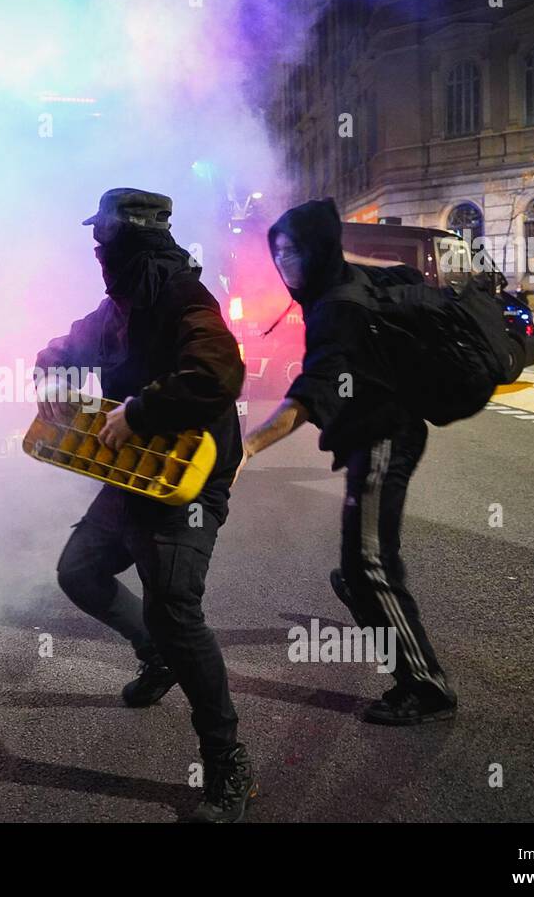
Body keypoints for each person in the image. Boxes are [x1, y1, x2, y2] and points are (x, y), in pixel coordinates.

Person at [37, 187, 256, 821]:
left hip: (190, 479)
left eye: (103, 242)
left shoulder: (186, 299)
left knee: (175, 610)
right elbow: (68, 344)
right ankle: (153, 655)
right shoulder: (120, 303)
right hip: (137, 475)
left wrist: (139, 411)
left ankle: (227, 760)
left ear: (127, 244)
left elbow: (218, 374)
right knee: (79, 571)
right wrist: (51, 370)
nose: (97, 253)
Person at [236, 198, 456, 725]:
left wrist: (246, 447)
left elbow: (311, 396)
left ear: (315, 251)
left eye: (291, 252)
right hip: (377, 435)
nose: (283, 263)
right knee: (366, 560)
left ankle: (426, 687)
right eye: (278, 253)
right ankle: (371, 598)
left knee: (369, 562)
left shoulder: (338, 304)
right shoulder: (341, 284)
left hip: (384, 438)